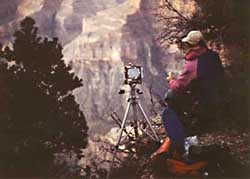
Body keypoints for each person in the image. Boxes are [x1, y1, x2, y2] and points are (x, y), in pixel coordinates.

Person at [151, 30, 224, 161]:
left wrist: (170, 80)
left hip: (202, 102)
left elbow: (178, 86)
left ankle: (185, 127)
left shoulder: (193, 63)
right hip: (218, 97)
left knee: (170, 97)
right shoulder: (213, 56)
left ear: (193, 46)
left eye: (188, 44)